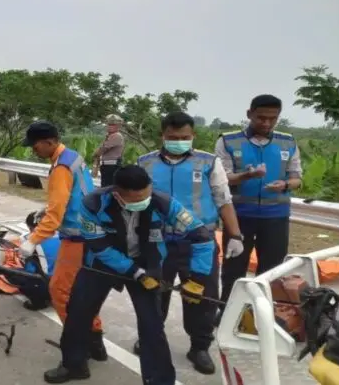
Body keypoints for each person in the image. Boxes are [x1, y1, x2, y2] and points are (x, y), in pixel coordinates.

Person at [44, 165, 215, 384]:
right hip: (101, 263)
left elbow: (202, 236)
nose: (142, 201)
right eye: (135, 199)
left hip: (147, 263)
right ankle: (73, 365)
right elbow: (99, 246)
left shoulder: (164, 203)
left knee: (151, 325)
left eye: (145, 195)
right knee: (78, 312)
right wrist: (135, 272)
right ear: (117, 194)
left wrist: (197, 278)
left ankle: (159, 380)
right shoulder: (93, 204)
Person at [134, 111, 245, 375]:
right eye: (173, 137)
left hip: (199, 244)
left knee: (202, 296)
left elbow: (223, 199)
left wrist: (236, 235)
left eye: (185, 137)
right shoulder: (145, 163)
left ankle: (200, 347)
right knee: (152, 292)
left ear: (193, 136)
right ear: (163, 135)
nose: (179, 141)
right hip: (157, 241)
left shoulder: (208, 162)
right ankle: (150, 337)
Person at [18, 121, 107, 363]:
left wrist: (33, 240)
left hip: (76, 238)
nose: (33, 150)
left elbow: (56, 215)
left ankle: (78, 341)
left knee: (59, 291)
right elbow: (74, 194)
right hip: (91, 233)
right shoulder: (73, 157)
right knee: (84, 292)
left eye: (35, 146)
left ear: (49, 142)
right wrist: (47, 208)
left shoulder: (60, 168)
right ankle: (96, 340)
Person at [216, 94, 303, 305]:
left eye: (272, 118)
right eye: (261, 118)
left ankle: (261, 314)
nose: (266, 123)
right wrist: (247, 176)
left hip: (276, 217)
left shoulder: (288, 142)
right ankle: (227, 310)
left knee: (271, 271)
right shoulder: (228, 141)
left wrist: (285, 185)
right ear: (249, 114)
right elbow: (221, 177)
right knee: (234, 269)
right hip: (239, 217)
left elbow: (297, 177)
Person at [0, 209, 60, 310]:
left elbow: (28, 267)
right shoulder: (63, 236)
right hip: (67, 283)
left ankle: (38, 301)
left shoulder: (29, 240)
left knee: (12, 273)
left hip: (47, 284)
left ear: (30, 227)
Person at [92, 114, 125, 187]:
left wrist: (95, 154)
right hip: (107, 166)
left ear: (118, 126)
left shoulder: (116, 136)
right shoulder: (109, 136)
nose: (110, 126)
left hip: (112, 167)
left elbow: (100, 151)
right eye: (109, 124)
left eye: (112, 124)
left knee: (108, 189)